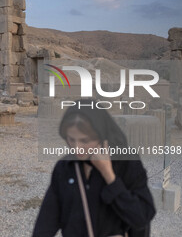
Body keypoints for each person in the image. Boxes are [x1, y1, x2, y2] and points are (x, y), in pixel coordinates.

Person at [32, 99, 156, 237]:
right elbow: (45, 223)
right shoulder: (65, 168)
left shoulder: (126, 163)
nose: (77, 148)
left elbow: (142, 216)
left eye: (84, 141)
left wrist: (109, 175)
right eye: (71, 139)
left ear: (102, 136)